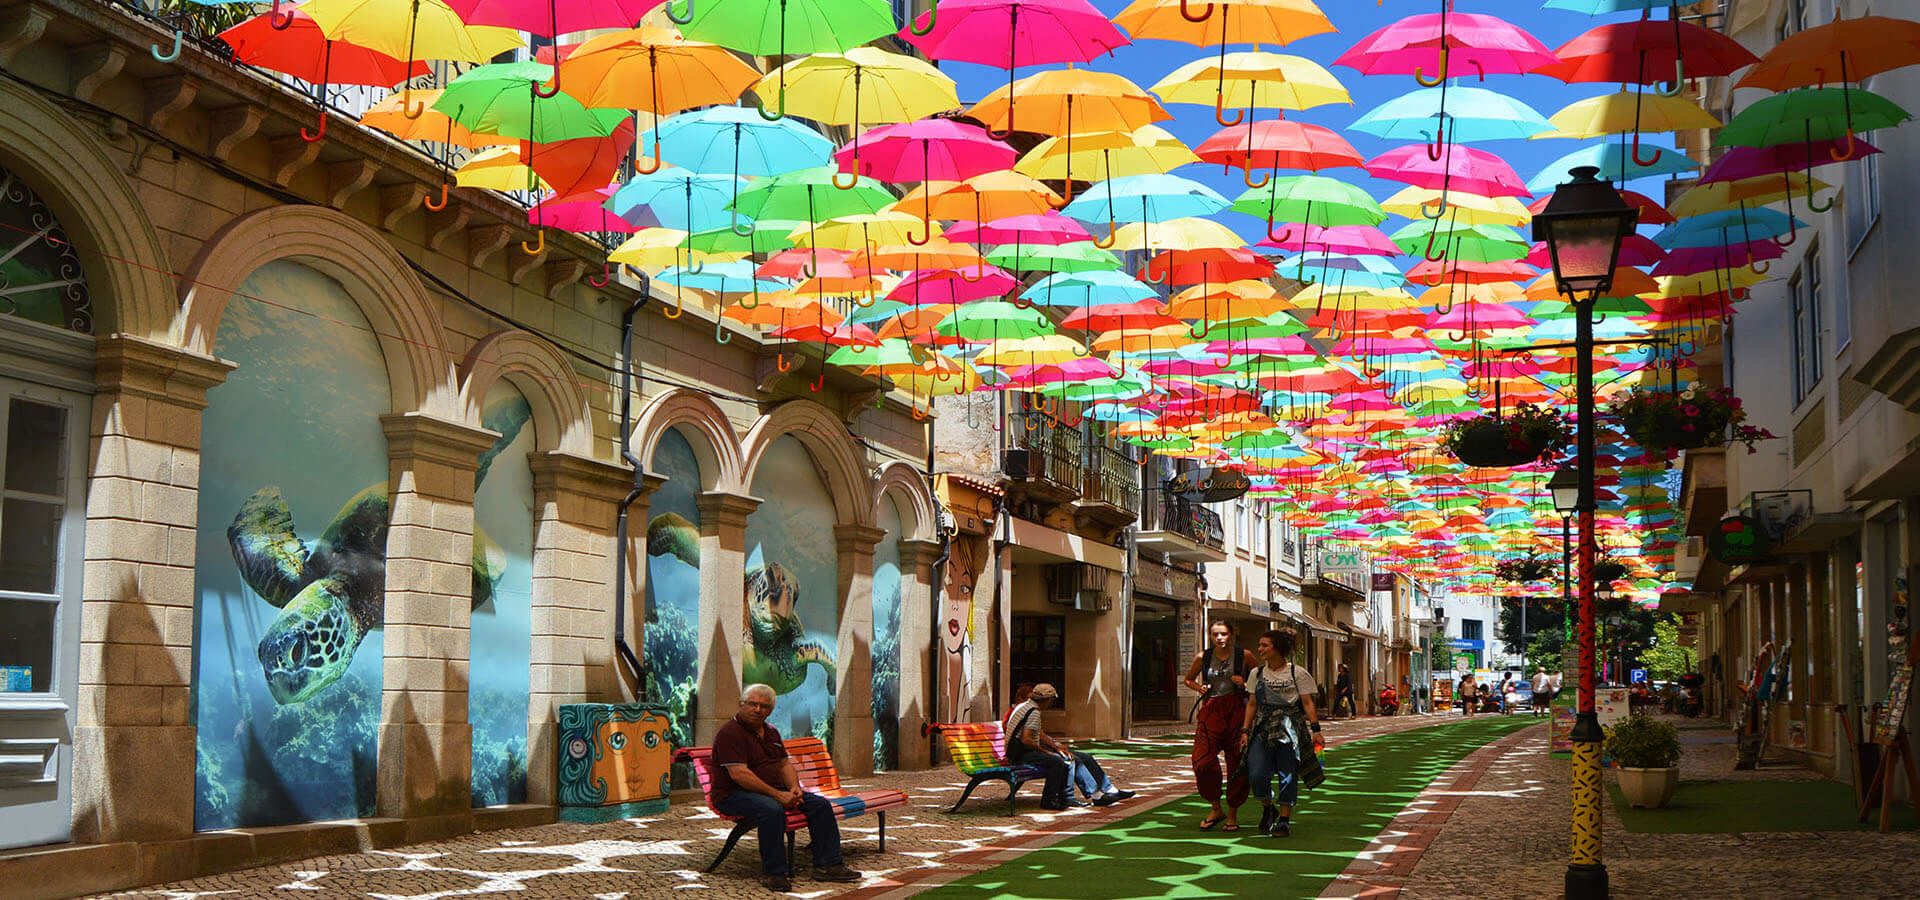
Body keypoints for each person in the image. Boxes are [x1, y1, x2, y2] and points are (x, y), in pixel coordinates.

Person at [711, 684, 863, 893]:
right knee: (772, 810)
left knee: (820, 805)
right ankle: (774, 873)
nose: (758, 710)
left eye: (764, 706)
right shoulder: (730, 733)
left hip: (773, 790)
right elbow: (739, 774)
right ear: (741, 705)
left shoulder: (771, 731)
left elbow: (784, 764)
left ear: (770, 710)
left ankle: (829, 865)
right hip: (733, 795)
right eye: (752, 704)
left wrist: (794, 788)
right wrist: (777, 795)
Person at [1239, 627, 1324, 838]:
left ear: (1277, 648)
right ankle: (1268, 806)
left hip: (1289, 727)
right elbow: (1251, 704)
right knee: (1256, 773)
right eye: (1260, 645)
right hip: (1263, 726)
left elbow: (1307, 702)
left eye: (1264, 645)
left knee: (1288, 773)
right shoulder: (1256, 673)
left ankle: (1284, 819)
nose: (1260, 649)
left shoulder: (1298, 673)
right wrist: (1245, 731)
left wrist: (1316, 730)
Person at [1005, 683, 1136, 811]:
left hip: (1025, 750)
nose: (1052, 703)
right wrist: (1047, 752)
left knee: (1086, 757)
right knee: (1062, 760)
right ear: (1047, 700)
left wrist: (1055, 746)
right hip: (1022, 754)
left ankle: (1108, 790)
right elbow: (1027, 739)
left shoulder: (1026, 707)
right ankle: (1059, 799)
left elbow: (1038, 734)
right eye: (1052, 700)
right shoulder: (1033, 712)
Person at [1183, 620, 1259, 831]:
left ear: (1231, 635)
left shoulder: (1245, 655)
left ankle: (1233, 813)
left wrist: (1244, 684)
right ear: (1210, 636)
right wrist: (1200, 687)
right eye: (1215, 634)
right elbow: (1188, 679)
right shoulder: (1203, 657)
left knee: (1237, 761)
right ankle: (1216, 807)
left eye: (1223, 634)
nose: (1219, 638)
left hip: (1237, 711)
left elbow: (1261, 679)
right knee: (1202, 760)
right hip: (1211, 711)